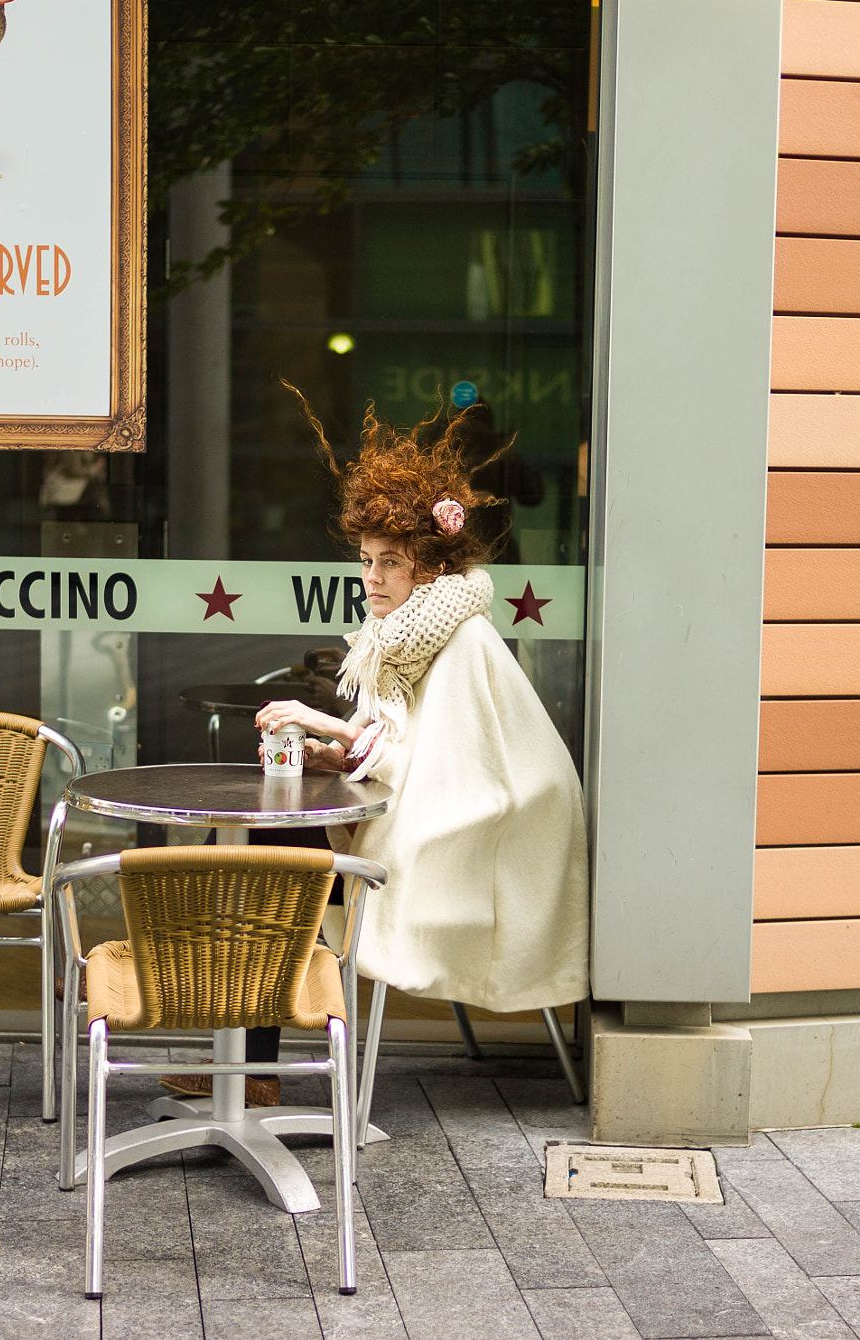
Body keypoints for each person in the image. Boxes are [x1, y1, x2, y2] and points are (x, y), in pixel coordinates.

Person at [161, 397, 589, 1106]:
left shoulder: (458, 640)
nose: (373, 577)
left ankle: (244, 1066)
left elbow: (451, 758)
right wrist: (341, 754)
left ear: (431, 567)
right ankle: (244, 1065)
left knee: (262, 855)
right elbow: (406, 745)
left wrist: (321, 725)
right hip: (430, 819)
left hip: (472, 840)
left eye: (393, 562)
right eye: (367, 560)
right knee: (261, 845)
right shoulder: (406, 639)